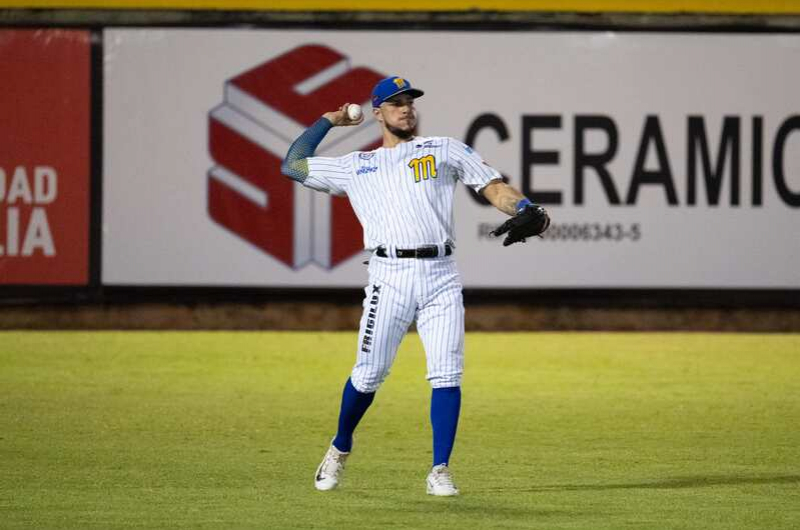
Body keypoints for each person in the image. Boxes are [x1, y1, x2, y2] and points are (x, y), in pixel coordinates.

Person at [281, 76, 549, 496]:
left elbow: (494, 188)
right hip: (389, 277)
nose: (406, 108)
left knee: (447, 374)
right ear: (378, 113)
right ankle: (340, 446)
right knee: (368, 375)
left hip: (441, 274)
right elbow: (292, 164)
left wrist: (525, 207)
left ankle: (439, 468)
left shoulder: (443, 148)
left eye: (409, 102)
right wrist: (327, 121)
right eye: (395, 103)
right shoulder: (357, 165)